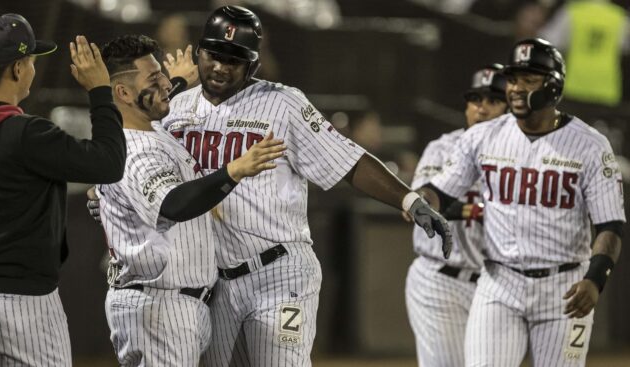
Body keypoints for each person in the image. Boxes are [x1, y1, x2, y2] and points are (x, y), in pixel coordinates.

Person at [161, 5, 451, 366]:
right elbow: (139, 159)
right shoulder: (174, 110)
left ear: (253, 64)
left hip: (279, 272)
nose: (220, 66)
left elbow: (347, 161)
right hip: (212, 281)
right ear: (199, 51)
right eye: (214, 55)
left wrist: (407, 199)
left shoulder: (283, 103)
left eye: (234, 59)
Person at [0, 14, 125, 366]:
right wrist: (99, 91)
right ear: (18, 69)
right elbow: (109, 163)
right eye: (32, 61)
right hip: (19, 307)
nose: (33, 70)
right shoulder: (27, 134)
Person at [417, 38, 626, 366]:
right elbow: (439, 193)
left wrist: (596, 278)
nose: (515, 88)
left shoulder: (590, 145)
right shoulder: (483, 136)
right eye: (513, 79)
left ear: (553, 87)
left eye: (528, 79)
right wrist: (419, 200)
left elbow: (610, 225)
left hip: (565, 285)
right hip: (500, 283)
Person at [95, 34, 284, 366]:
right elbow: (174, 204)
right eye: (155, 79)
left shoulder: (148, 132)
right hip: (160, 306)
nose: (166, 83)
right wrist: (235, 169)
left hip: (170, 304)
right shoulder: (135, 150)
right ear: (123, 93)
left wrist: (179, 80)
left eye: (164, 77)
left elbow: (144, 110)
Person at [405, 63, 508, 367]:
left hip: (495, 285)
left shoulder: (520, 157)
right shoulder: (442, 148)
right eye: (476, 99)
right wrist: (476, 210)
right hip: (441, 280)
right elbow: (423, 204)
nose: (482, 108)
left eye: (493, 100)